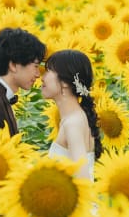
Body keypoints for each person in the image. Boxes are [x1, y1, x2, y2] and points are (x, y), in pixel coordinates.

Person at [40, 49, 103, 181]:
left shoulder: (73, 124)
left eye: (48, 71)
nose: (42, 77)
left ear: (65, 82)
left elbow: (82, 179)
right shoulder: (74, 118)